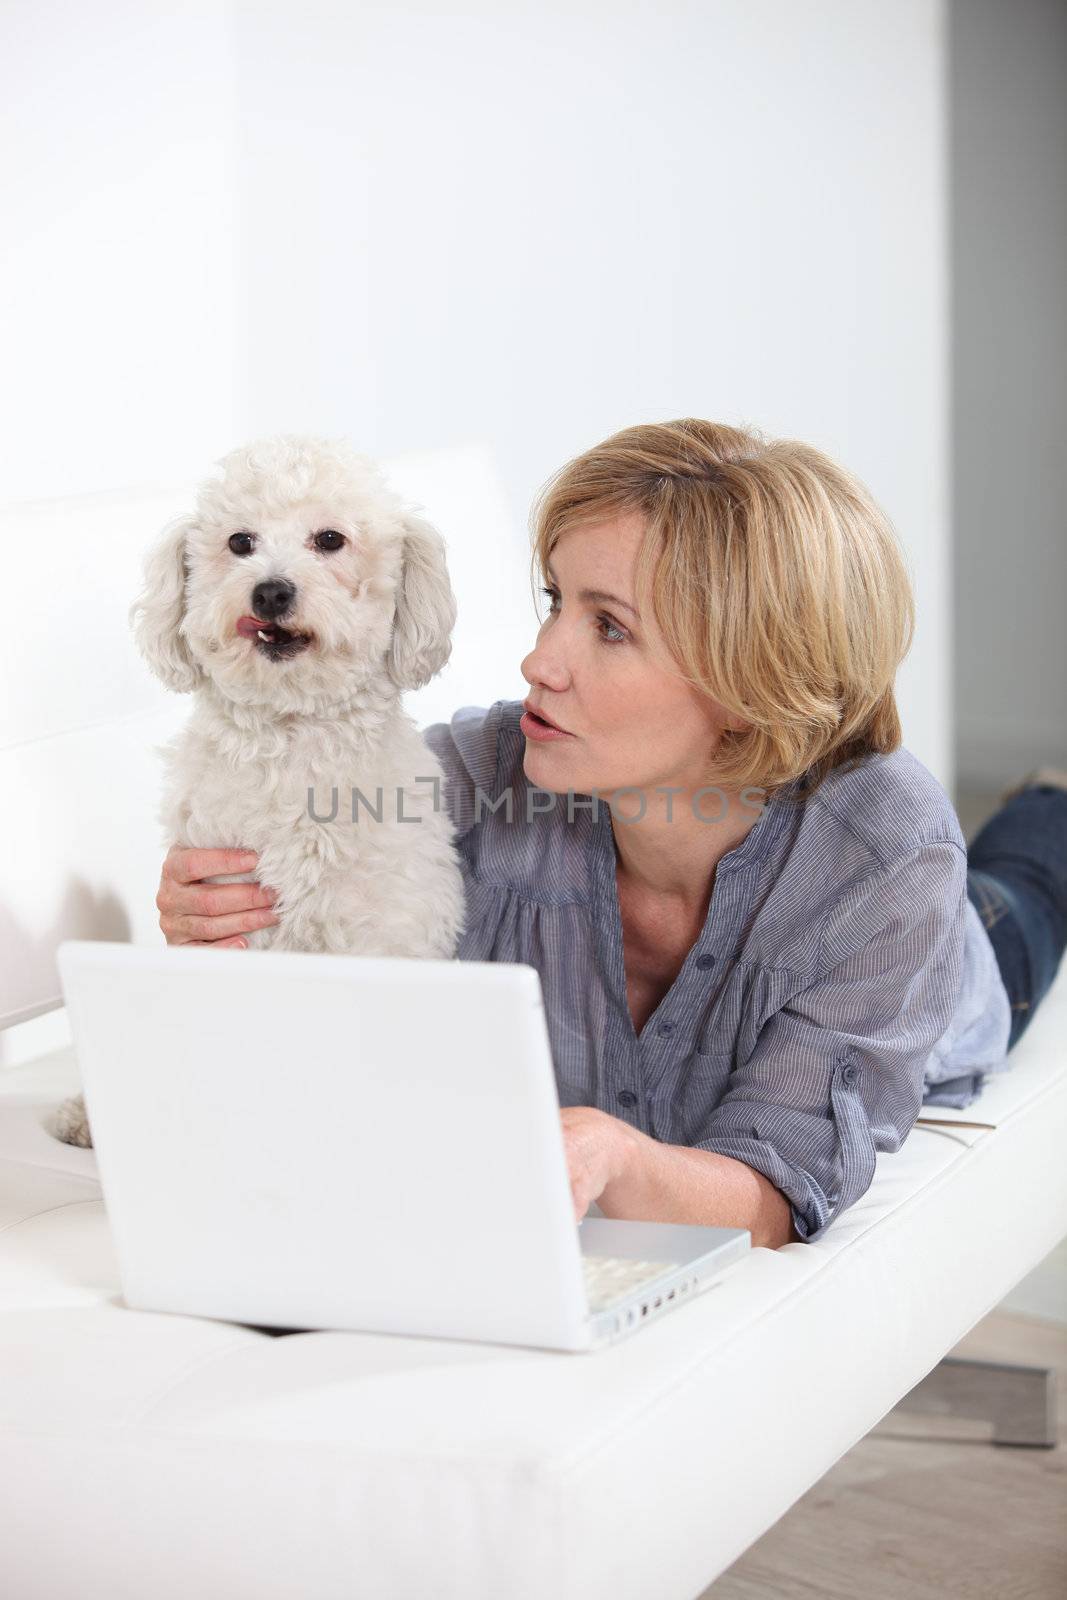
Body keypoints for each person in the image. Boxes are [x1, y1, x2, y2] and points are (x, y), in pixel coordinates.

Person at [152, 420, 1067, 1249]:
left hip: (958, 962)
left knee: (1022, 890)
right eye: (556, 603)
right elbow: (306, 838)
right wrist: (205, 903)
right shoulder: (475, 771)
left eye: (610, 629)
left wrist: (620, 1161)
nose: (538, 662)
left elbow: (784, 1181)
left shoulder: (883, 854)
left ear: (754, 680)